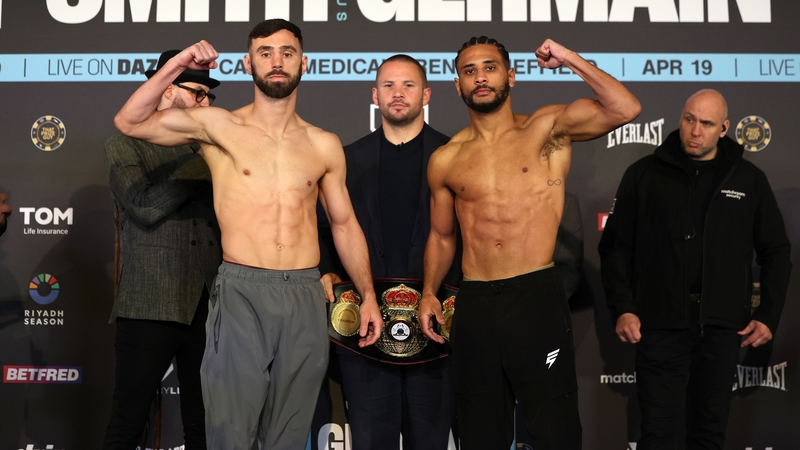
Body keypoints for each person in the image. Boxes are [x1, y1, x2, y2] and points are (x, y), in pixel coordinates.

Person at [112, 19, 382, 450]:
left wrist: (367, 294)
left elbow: (344, 224)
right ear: (247, 63)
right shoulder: (219, 127)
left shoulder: (324, 144)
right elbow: (130, 121)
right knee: (230, 432)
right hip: (242, 289)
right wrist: (178, 64)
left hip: (304, 291)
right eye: (265, 52)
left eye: (287, 53)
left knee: (289, 434)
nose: (277, 61)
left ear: (304, 63)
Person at [418, 36, 641, 449]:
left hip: (535, 296)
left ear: (511, 76)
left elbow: (625, 109)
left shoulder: (547, 128)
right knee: (480, 432)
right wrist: (429, 291)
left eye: (490, 68)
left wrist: (570, 58)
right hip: (476, 302)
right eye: (469, 71)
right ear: (457, 85)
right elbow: (442, 235)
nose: (480, 77)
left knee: (554, 428)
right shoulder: (446, 159)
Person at [598, 89, 791, 450]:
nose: (695, 131)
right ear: (681, 118)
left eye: (706, 123)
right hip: (659, 326)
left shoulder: (748, 179)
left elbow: (776, 251)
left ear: (725, 128)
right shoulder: (643, 174)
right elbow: (614, 249)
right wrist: (623, 307)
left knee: (708, 435)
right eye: (689, 119)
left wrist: (767, 314)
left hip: (721, 330)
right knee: (658, 435)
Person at [318, 55, 461, 450]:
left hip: (436, 326)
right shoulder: (347, 159)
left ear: (426, 95)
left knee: (430, 441)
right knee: (369, 441)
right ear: (375, 95)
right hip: (366, 327)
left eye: (408, 85)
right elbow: (323, 225)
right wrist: (326, 268)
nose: (398, 94)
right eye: (389, 86)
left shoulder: (455, 155)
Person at [102, 50, 221, 449]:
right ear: (168, 90)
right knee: (128, 422)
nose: (205, 103)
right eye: (198, 93)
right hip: (150, 303)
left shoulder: (210, 147)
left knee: (205, 426)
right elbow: (145, 206)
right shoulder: (125, 143)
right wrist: (204, 162)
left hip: (210, 305)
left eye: (209, 96)